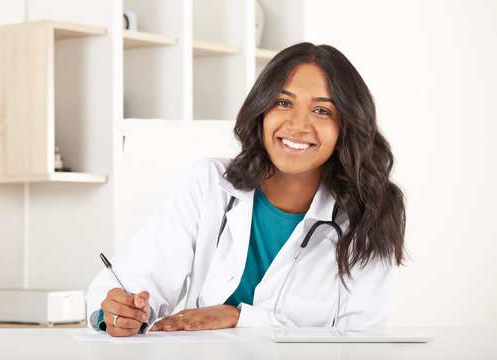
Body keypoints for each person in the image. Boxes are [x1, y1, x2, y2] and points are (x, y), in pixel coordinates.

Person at [86, 42, 406, 337]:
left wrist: (239, 318)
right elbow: (139, 274)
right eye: (283, 102)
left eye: (321, 110)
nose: (297, 124)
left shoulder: (370, 214)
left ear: (345, 126)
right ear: (262, 110)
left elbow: (363, 343)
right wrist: (121, 309)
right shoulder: (210, 183)